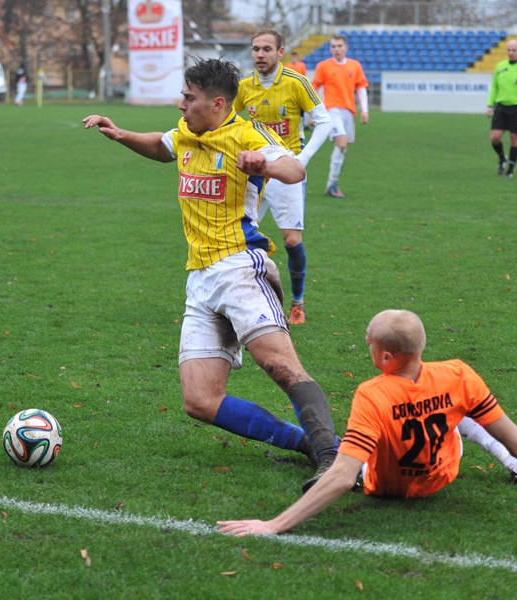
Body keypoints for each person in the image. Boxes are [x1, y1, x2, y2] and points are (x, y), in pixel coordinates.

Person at [82, 58, 340, 492]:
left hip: (241, 264)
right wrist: (120, 133)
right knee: (200, 400)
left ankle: (332, 456)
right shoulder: (188, 132)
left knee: (278, 363)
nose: (180, 104)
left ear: (217, 103)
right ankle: (309, 445)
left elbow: (295, 170)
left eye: (189, 98)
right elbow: (162, 146)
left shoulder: (245, 134)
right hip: (199, 278)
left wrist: (263, 164)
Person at [218, 309, 517, 536]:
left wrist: (273, 524)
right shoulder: (458, 374)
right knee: (461, 411)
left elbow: (343, 477)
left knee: (358, 446)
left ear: (384, 358)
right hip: (442, 475)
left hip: (383, 487)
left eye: (370, 344)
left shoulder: (373, 392)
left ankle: (313, 442)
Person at [234, 29, 333, 326]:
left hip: (286, 172)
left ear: (280, 52)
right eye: (255, 49)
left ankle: (297, 302)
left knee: (291, 241)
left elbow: (325, 120)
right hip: (254, 174)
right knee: (240, 239)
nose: (259, 55)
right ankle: (245, 301)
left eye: (266, 49)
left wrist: (300, 159)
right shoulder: (242, 87)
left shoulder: (296, 82)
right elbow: (227, 121)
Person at [312, 34, 369, 198]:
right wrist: (312, 112)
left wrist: (365, 110)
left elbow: (361, 88)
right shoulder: (323, 66)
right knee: (342, 144)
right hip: (331, 110)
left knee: (342, 149)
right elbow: (314, 88)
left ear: (346, 48)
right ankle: (332, 184)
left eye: (339, 46)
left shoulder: (355, 65)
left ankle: (332, 184)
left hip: (348, 111)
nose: (336, 49)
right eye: (333, 46)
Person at [486, 39, 517, 179]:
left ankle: (510, 170)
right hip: (501, 107)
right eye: (508, 50)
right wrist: (490, 105)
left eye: (514, 50)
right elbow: (495, 87)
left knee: (514, 138)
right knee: (494, 137)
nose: (511, 53)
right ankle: (502, 158)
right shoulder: (500, 66)